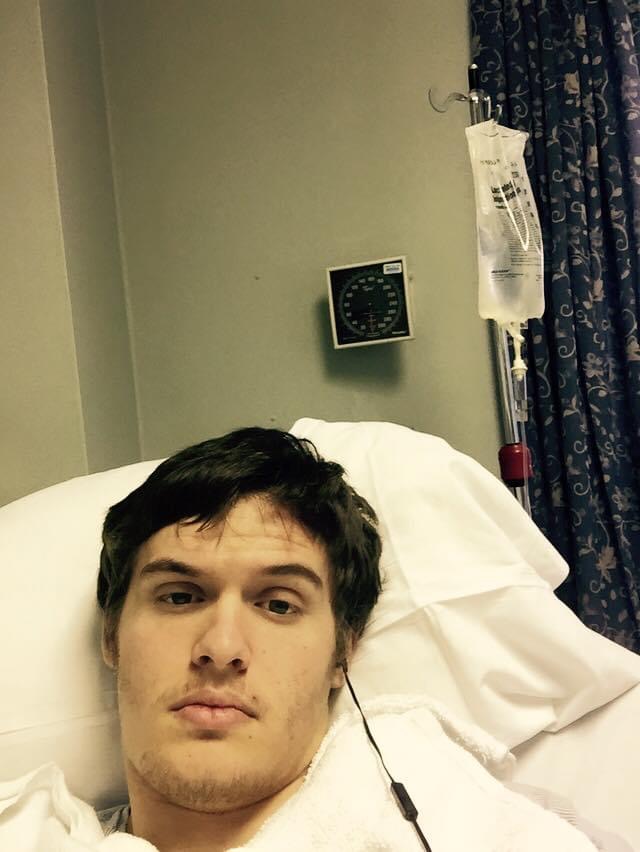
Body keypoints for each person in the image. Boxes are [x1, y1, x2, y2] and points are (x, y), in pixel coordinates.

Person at [92, 427, 621, 851]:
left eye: (278, 604)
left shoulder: (498, 826)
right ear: (111, 634)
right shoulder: (47, 832)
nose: (222, 647)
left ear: (342, 654)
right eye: (179, 597)